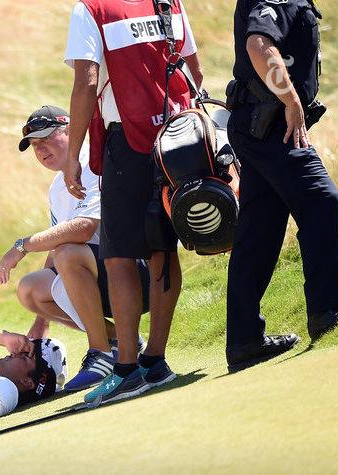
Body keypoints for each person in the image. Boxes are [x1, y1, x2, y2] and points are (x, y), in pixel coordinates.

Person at [64, 0, 204, 406]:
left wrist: (73, 154)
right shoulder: (167, 1)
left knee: (119, 256)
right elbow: (194, 70)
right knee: (162, 248)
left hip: (130, 144)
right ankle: (155, 360)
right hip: (179, 139)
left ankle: (127, 369)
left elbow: (86, 83)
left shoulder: (91, 8)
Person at [223, 0, 338, 372]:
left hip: (258, 123)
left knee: (258, 231)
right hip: (272, 125)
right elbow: (258, 45)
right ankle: (328, 312)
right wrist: (292, 101)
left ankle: (244, 340)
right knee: (323, 200)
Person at [0, 105, 153, 392]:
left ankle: (100, 353)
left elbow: (85, 228)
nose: (41, 150)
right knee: (30, 288)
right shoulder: (56, 187)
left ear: (70, 131)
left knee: (68, 252)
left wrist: (22, 246)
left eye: (47, 139)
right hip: (97, 278)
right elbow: (55, 246)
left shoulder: (94, 163)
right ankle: (120, 340)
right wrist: (41, 322)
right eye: (34, 145)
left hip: (135, 275)